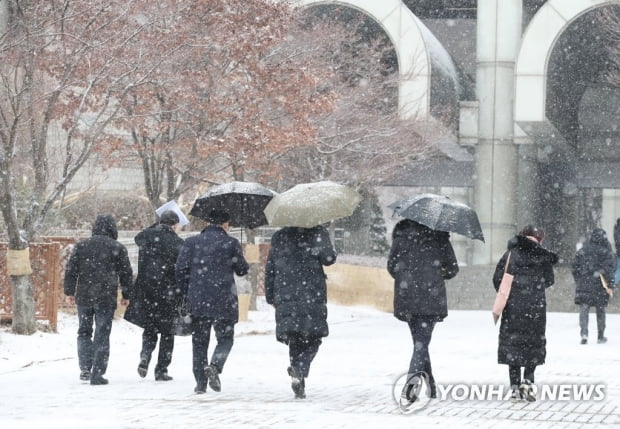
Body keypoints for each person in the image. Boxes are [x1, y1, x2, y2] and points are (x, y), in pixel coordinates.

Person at [175, 209, 249, 394]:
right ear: (225, 224)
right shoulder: (231, 243)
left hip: (198, 299)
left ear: (207, 223)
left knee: (199, 342)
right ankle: (215, 366)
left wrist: (186, 292)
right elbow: (241, 270)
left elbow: (180, 270)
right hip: (224, 299)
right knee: (225, 338)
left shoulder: (191, 242)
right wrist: (239, 256)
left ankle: (200, 383)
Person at [387, 219, 459, 405]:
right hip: (430, 297)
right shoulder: (440, 238)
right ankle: (412, 384)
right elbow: (452, 269)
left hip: (407, 296)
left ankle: (431, 384)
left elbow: (392, 267)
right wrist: (436, 273)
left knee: (420, 343)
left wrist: (407, 277)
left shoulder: (401, 237)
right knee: (421, 343)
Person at [264, 225, 336, 399]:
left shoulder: (279, 237)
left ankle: (298, 378)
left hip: (285, 293)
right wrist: (321, 241)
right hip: (311, 292)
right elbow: (329, 258)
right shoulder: (317, 233)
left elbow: (270, 268)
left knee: (294, 337)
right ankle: (300, 369)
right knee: (314, 337)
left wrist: (270, 295)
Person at [63, 214, 133, 385]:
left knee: (84, 331)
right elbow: (126, 273)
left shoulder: (81, 246)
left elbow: (71, 270)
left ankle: (85, 368)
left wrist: (70, 292)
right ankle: (98, 373)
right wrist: (126, 294)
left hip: (85, 296)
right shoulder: (117, 247)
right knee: (103, 333)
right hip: (106, 296)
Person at [492, 225, 558, 402]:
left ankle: (515, 388)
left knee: (513, 344)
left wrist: (512, 292)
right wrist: (534, 288)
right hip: (535, 307)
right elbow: (550, 280)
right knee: (533, 343)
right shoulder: (543, 256)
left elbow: (497, 278)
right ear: (539, 239)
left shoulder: (511, 254)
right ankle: (528, 380)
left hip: (513, 307)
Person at [124, 210, 185, 381]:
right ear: (174, 225)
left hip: (147, 290)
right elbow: (181, 269)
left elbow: (138, 237)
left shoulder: (147, 237)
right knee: (167, 332)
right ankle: (161, 370)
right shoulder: (178, 242)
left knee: (150, 328)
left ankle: (145, 356)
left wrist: (155, 225)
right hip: (168, 293)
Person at [572, 228, 615, 345]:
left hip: (584, 284)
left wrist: (579, 280)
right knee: (600, 310)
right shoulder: (606, 252)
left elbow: (575, 268)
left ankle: (584, 333)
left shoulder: (582, 251)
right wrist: (610, 285)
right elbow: (610, 270)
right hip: (600, 285)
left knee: (584, 309)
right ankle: (600, 336)